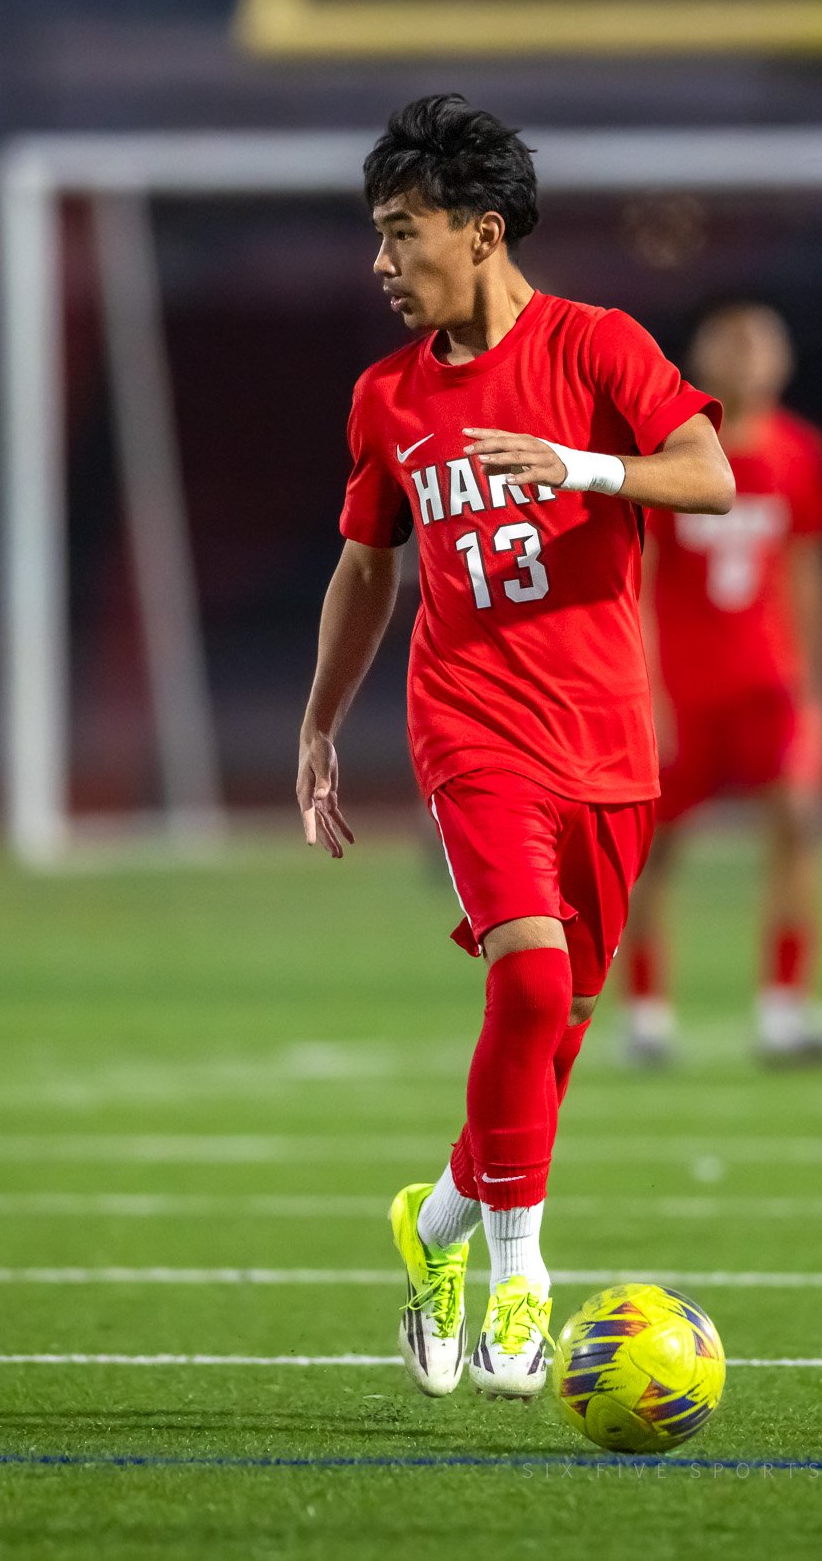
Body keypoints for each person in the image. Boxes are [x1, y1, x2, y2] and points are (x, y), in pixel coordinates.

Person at [295, 95, 733, 1401]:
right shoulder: (386, 396)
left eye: (401, 231)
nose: (382, 260)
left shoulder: (598, 346)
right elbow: (365, 567)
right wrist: (319, 722)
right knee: (532, 987)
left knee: (557, 1032)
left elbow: (709, 474)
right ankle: (521, 1277)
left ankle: (433, 1221)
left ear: (481, 231)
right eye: (378, 234)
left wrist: (581, 468)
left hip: (605, 738)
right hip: (471, 725)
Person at [619, 302, 822, 1070]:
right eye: (733, 345)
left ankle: (785, 1007)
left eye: (761, 346)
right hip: (684, 687)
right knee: (652, 852)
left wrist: (819, 691)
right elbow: (636, 578)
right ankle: (646, 1012)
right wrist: (642, 689)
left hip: (767, 681)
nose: (748, 359)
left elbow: (808, 572)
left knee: (800, 826)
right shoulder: (670, 448)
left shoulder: (800, 452)